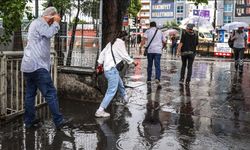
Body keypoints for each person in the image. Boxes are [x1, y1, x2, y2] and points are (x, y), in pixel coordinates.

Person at [21, 7, 70, 129]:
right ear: (49, 16)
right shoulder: (40, 22)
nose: (51, 23)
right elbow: (49, 33)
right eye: (52, 20)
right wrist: (56, 23)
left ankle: (29, 122)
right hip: (37, 66)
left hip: (28, 66)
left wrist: (54, 22)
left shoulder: (36, 24)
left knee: (30, 94)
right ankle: (59, 121)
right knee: (50, 93)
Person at [95, 31, 138, 118]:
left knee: (120, 84)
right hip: (112, 70)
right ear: (124, 38)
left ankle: (125, 98)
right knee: (111, 91)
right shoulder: (120, 44)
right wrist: (133, 62)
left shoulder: (111, 43)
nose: (127, 40)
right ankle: (100, 110)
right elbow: (124, 55)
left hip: (108, 69)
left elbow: (102, 53)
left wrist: (99, 64)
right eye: (126, 38)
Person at [141, 21, 166, 86]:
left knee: (149, 65)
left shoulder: (147, 31)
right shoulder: (160, 32)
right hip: (158, 51)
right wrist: (162, 47)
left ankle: (149, 79)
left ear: (150, 25)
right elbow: (164, 41)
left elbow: (143, 40)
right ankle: (157, 78)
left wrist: (140, 47)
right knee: (157, 65)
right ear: (155, 25)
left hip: (150, 50)